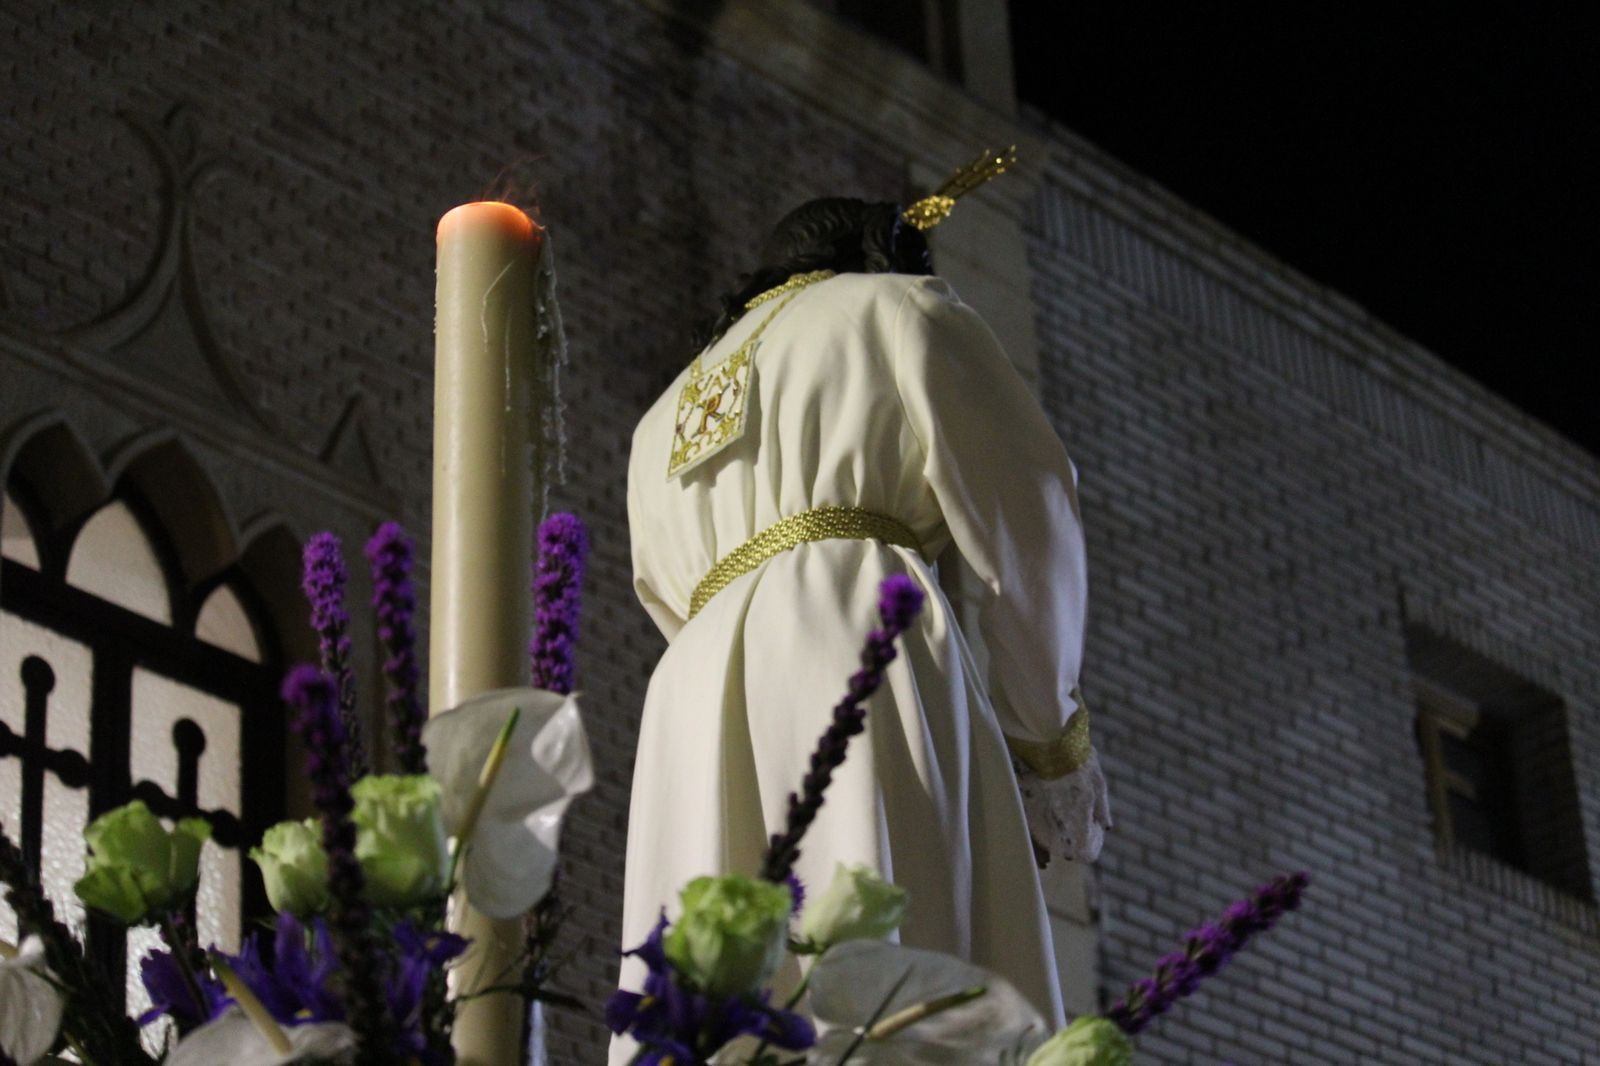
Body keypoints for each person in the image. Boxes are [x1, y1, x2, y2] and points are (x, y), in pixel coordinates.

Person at [616, 193, 1110, 1058]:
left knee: (715, 973)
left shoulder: (656, 425)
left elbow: (660, 594)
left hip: (690, 698)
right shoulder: (894, 310)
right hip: (852, 626)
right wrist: (1047, 735)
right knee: (881, 913)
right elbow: (1025, 505)